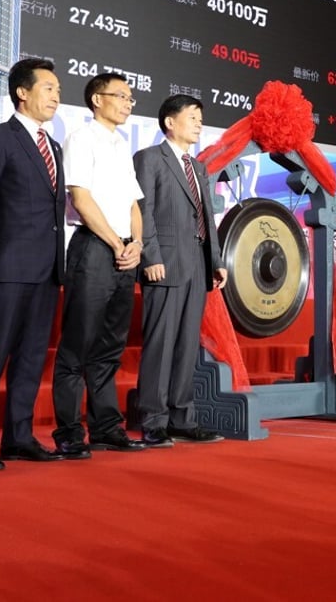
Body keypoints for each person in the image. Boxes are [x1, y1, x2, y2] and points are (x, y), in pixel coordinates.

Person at [0, 58, 67, 470]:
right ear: (22, 92)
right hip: (7, 268)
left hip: (46, 271)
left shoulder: (54, 146)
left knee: (30, 357)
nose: (56, 96)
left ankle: (19, 437)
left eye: (58, 90)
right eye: (48, 88)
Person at [50, 73, 146, 456]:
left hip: (124, 254)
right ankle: (69, 432)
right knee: (78, 344)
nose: (127, 103)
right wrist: (114, 240)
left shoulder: (123, 145)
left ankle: (107, 427)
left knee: (111, 345)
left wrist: (136, 243)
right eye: (120, 95)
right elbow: (81, 196)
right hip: (92, 248)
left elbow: (133, 204)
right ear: (96, 99)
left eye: (130, 97)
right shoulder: (81, 138)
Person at [132, 95, 228, 447]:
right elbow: (144, 212)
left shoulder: (198, 167)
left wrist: (215, 261)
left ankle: (182, 417)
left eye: (200, 117)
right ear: (169, 122)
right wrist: (151, 256)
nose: (199, 123)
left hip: (196, 264)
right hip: (164, 263)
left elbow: (207, 220)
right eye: (192, 116)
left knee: (187, 344)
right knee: (160, 344)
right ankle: (153, 420)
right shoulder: (149, 159)